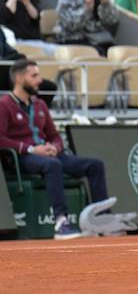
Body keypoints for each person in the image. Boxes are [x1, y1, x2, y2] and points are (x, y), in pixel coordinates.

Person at [0, 59, 110, 239]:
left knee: (95, 165)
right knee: (53, 165)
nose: (39, 80)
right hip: (22, 158)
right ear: (19, 78)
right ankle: (61, 222)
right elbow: (1, 139)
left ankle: (102, 219)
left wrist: (55, 146)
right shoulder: (4, 105)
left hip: (49, 155)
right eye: (34, 75)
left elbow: (54, 135)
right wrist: (30, 150)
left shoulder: (40, 105)